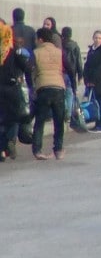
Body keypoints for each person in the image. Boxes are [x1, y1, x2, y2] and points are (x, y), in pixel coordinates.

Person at [30, 28, 67, 160]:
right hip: (59, 87)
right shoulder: (59, 52)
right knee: (59, 120)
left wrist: (33, 86)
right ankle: (58, 149)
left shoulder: (36, 52)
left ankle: (37, 150)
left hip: (43, 88)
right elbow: (67, 67)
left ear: (40, 39)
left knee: (40, 121)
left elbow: (31, 71)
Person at [0, 21, 32, 161]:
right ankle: (10, 140)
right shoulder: (14, 52)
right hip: (12, 88)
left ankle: (2, 150)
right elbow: (27, 68)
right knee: (13, 119)